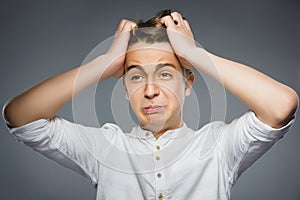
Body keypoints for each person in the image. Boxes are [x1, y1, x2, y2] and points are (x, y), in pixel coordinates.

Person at [2, 10, 298, 200]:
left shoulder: (218, 146)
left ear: (188, 83)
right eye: (136, 76)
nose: (151, 90)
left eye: (165, 74)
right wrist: (104, 63)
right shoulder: (105, 147)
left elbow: (281, 105)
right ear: (125, 88)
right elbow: (19, 115)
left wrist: (195, 54)